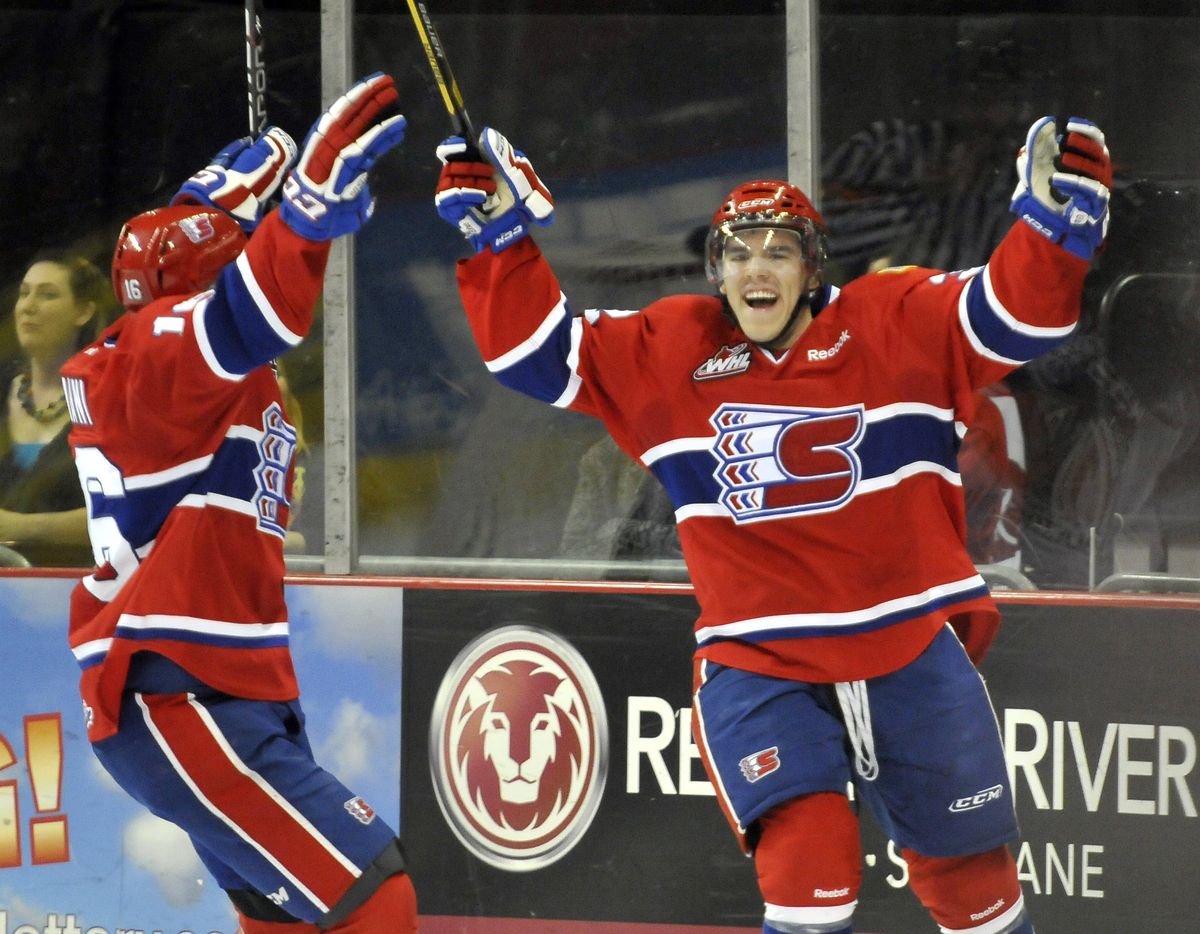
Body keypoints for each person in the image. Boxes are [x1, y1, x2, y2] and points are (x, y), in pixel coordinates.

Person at [433, 115, 1111, 933]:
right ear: (717, 271)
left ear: (812, 269)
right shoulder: (669, 351)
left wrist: (1055, 233)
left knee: (976, 889)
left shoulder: (896, 317)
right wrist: (498, 239)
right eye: (738, 253)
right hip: (763, 661)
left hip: (910, 647)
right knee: (809, 870)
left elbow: (1013, 316)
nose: (758, 269)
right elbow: (534, 355)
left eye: (779, 251)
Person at [62, 73, 415, 932]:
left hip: (215, 692)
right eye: (235, 246)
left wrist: (205, 202)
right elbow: (254, 310)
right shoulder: (163, 349)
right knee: (378, 895)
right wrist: (298, 219)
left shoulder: (147, 355)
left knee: (282, 920)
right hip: (182, 693)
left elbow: (177, 270)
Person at [0, 252, 111, 566]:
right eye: (24, 293)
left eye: (47, 295)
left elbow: (128, 512)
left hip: (74, 588)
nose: (28, 306)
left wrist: (20, 528)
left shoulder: (107, 401)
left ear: (83, 311)